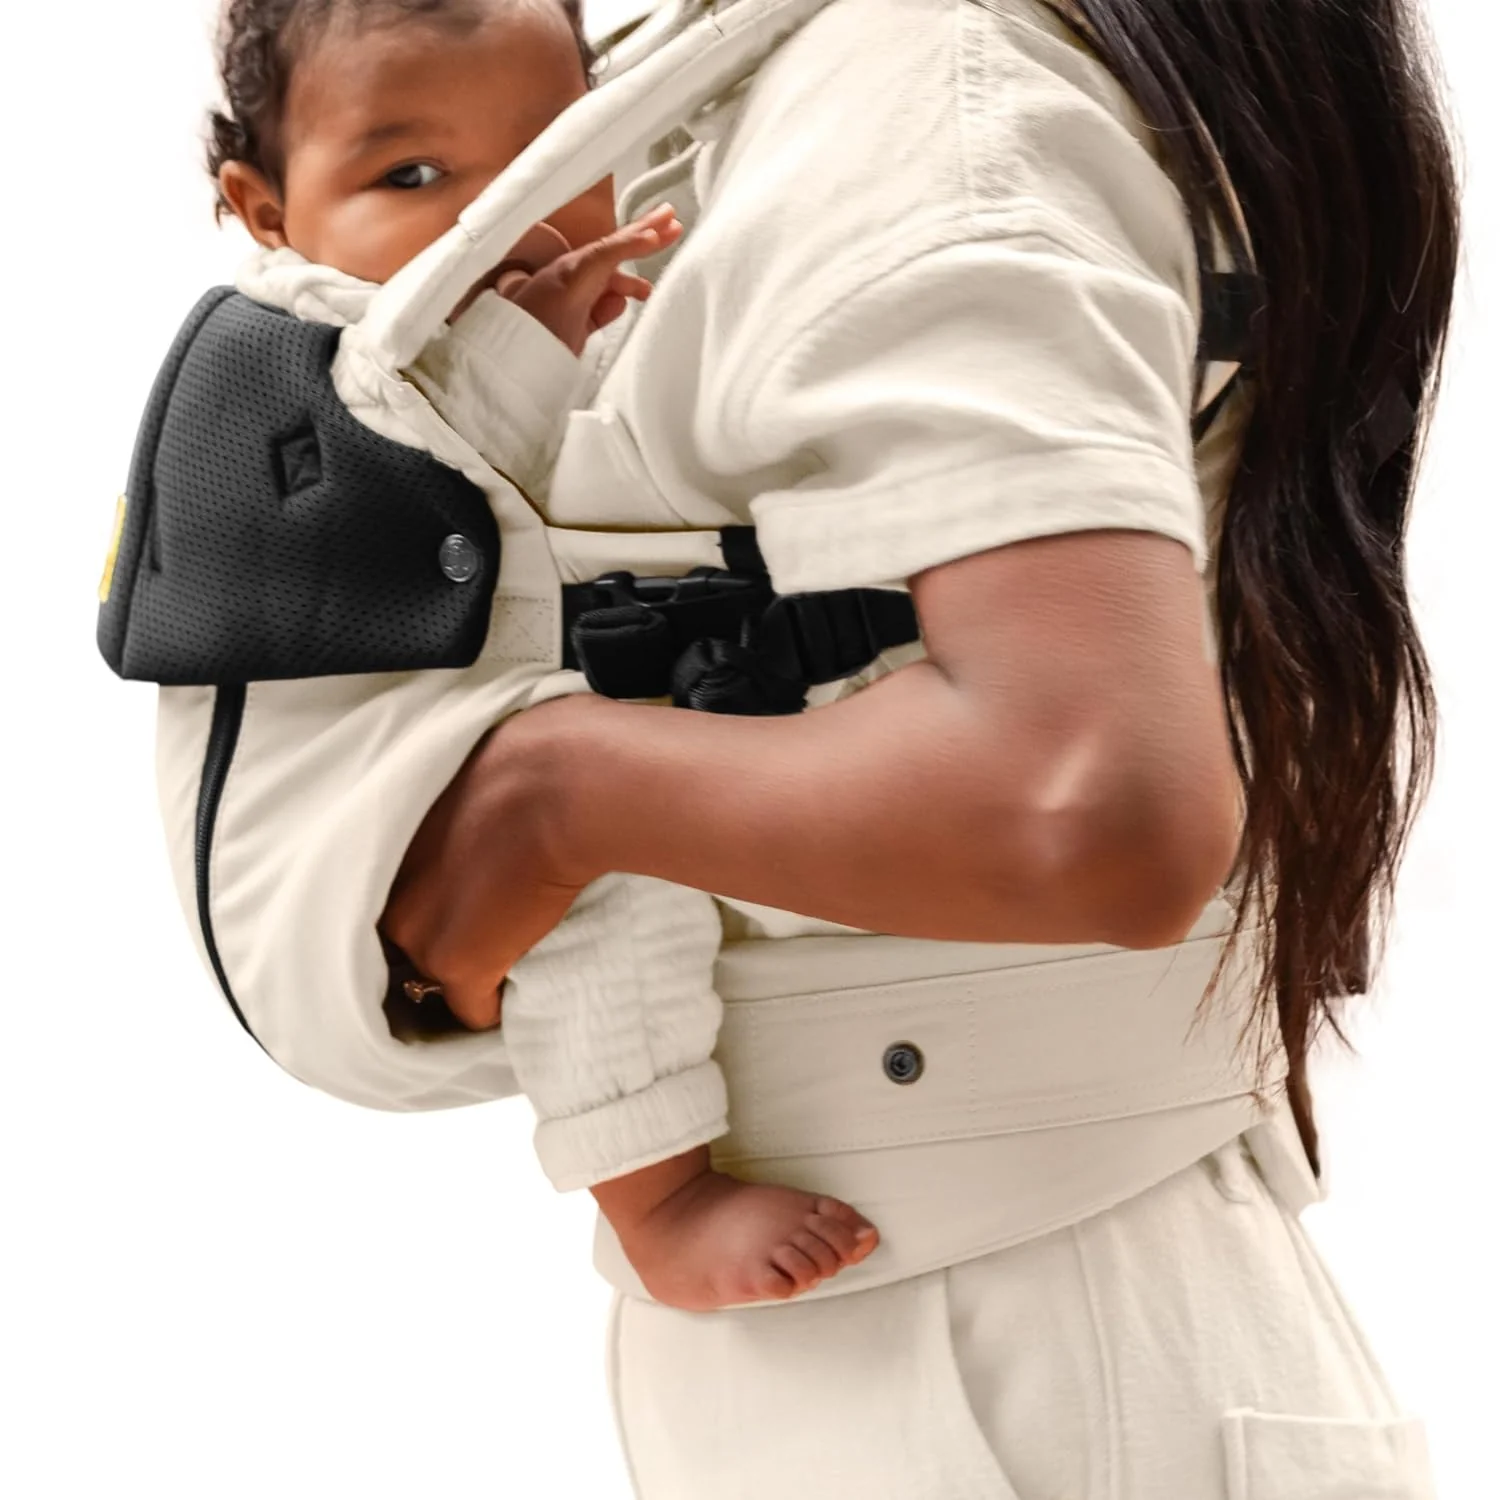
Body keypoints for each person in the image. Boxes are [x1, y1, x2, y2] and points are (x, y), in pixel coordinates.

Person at [372, 0, 1460, 1493]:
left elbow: (1089, 805)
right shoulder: (850, 64)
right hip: (971, 1310)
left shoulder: (930, 88)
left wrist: (545, 794)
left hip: (984, 1327)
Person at [187, 0, 881, 1311]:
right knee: (615, 892)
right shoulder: (299, 334)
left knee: (669, 822)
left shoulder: (559, 308)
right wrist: (533, 341)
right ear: (266, 210)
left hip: (469, 728)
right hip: (339, 815)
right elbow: (420, 438)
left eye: (554, 158)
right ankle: (659, 1200)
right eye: (413, 175)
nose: (497, 221)